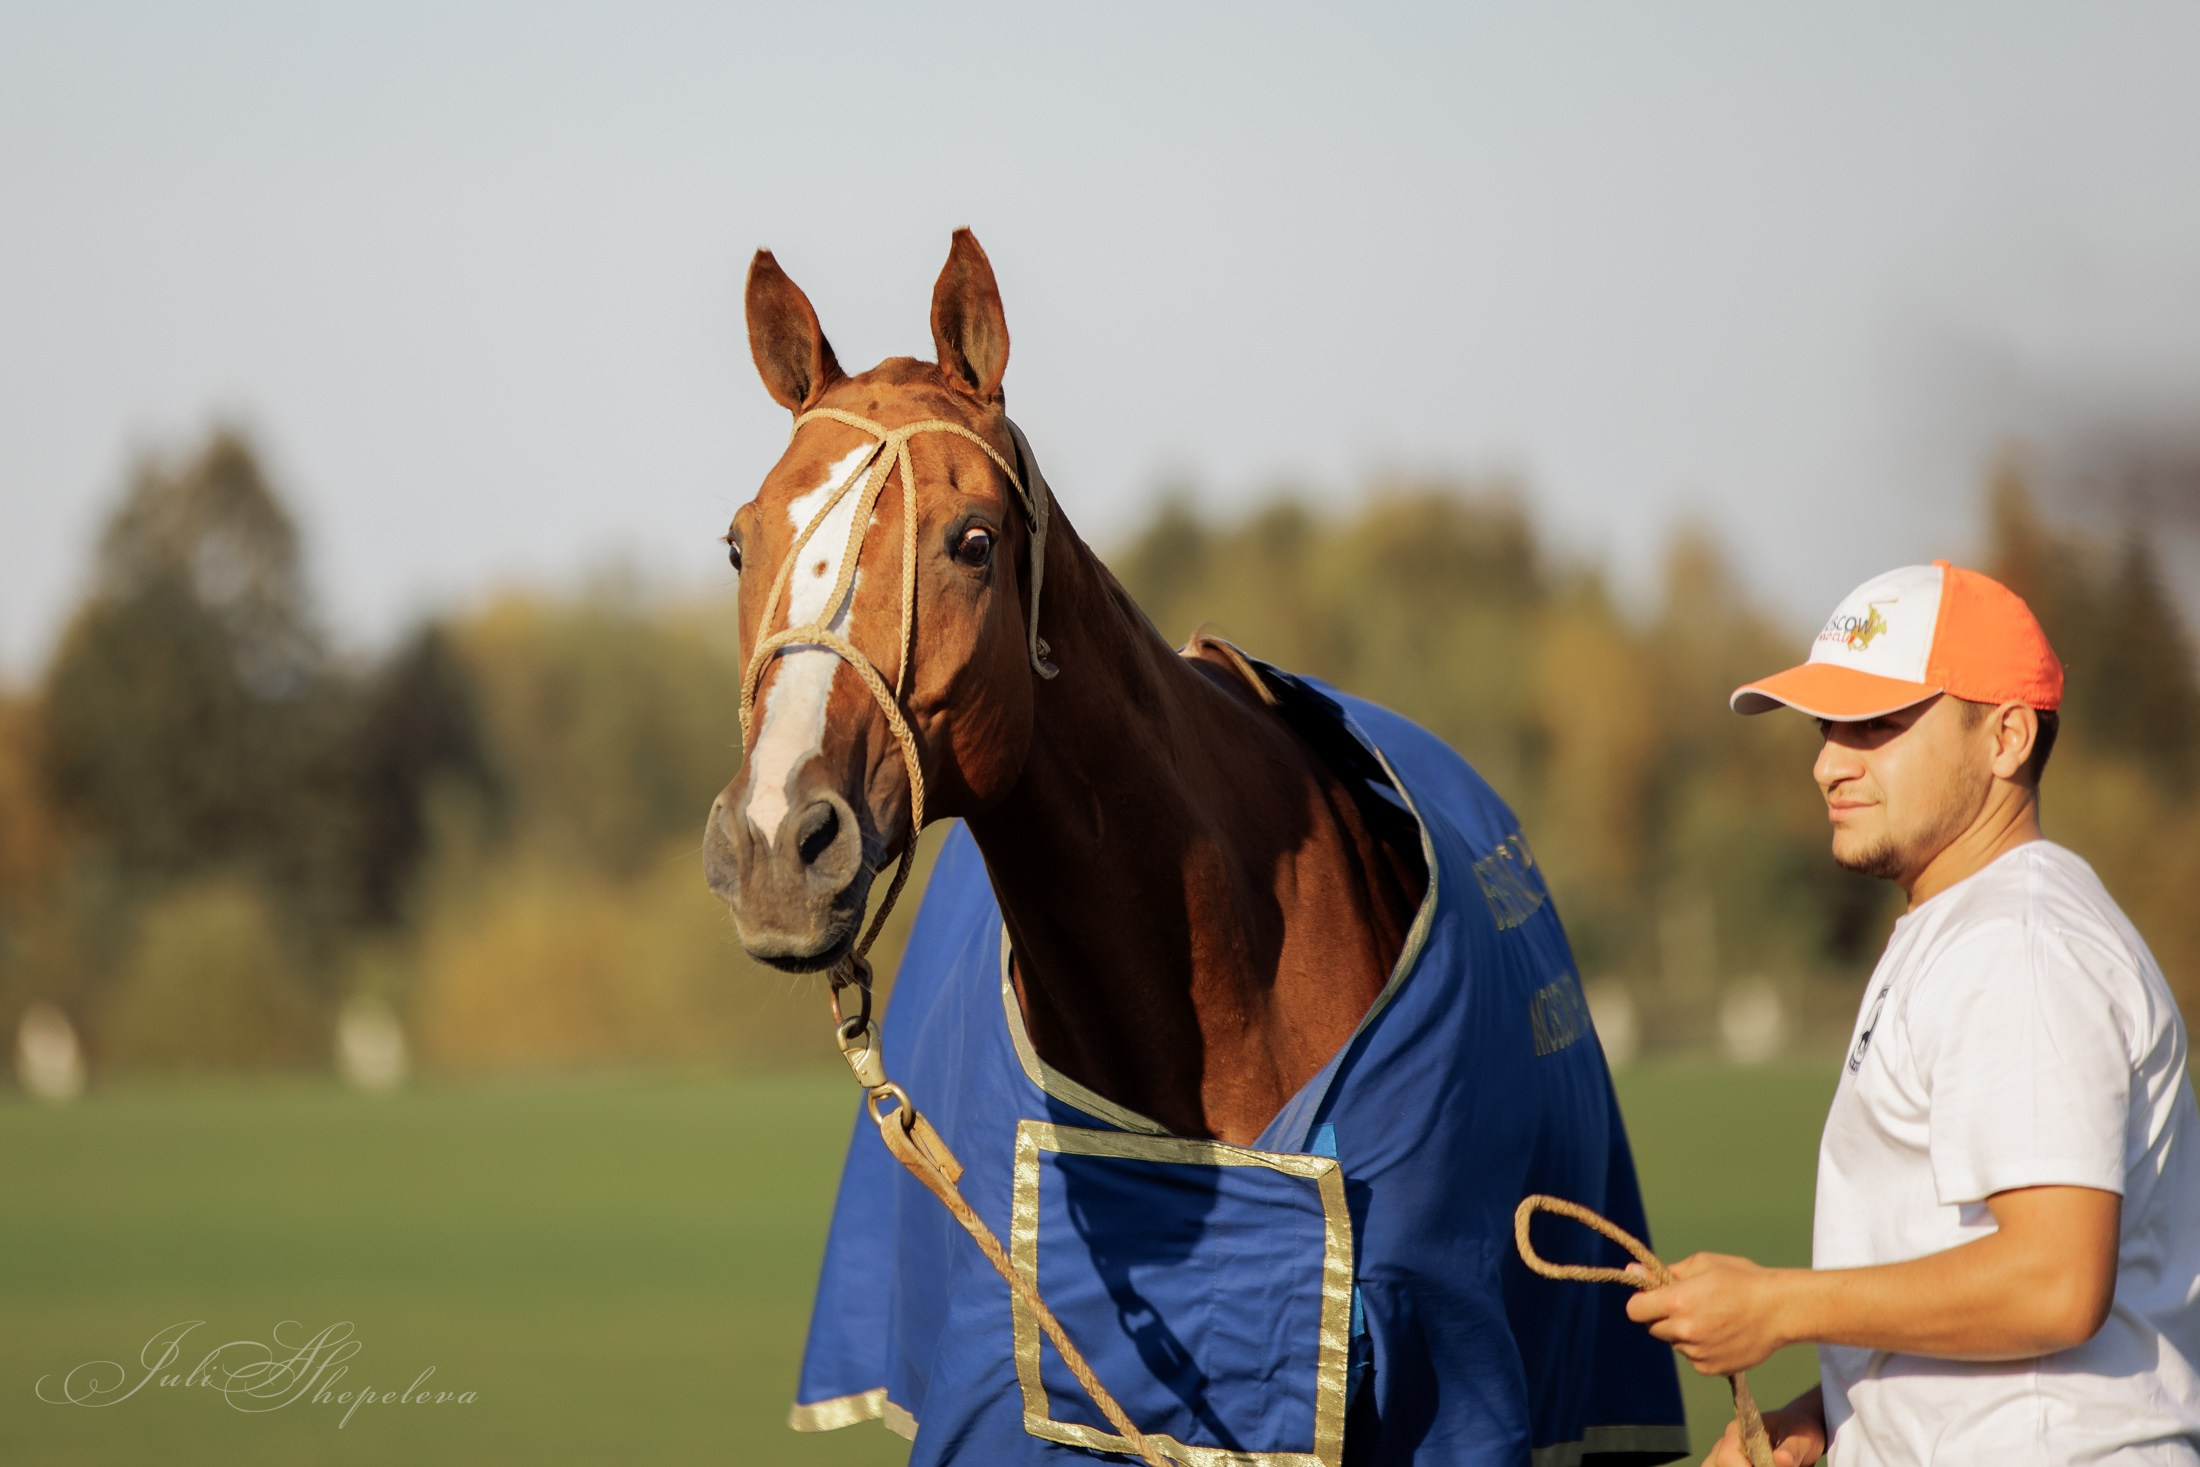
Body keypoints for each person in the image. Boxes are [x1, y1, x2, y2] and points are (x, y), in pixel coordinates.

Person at [1626, 560, 2200, 1466]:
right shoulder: (1973, 922)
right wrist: (1827, 1415)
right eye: (1826, 726)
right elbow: (1974, 1280)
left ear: (2006, 735)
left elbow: (2054, 1282)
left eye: (1877, 723)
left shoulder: (2021, 940)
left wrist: (1778, 1305)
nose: (1827, 762)